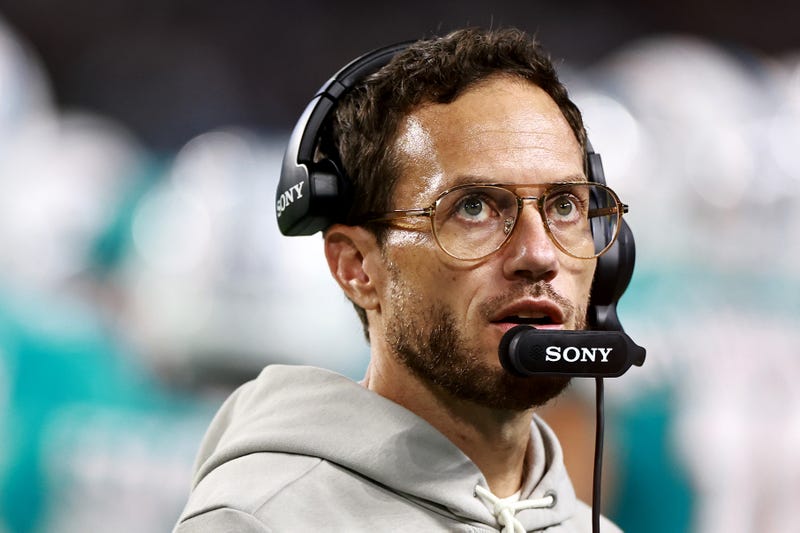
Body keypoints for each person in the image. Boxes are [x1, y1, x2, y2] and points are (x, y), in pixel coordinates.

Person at [174, 27, 630, 532]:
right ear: (357, 268)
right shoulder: (263, 521)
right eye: (473, 208)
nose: (538, 254)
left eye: (564, 206)